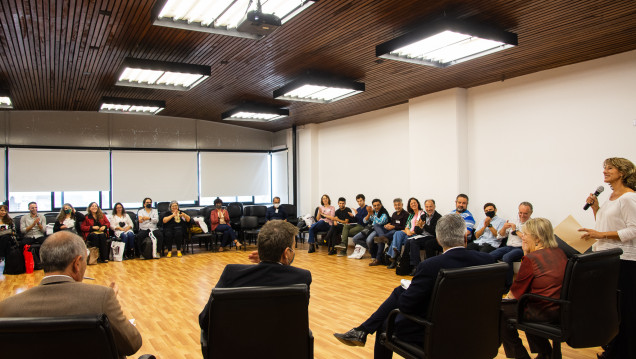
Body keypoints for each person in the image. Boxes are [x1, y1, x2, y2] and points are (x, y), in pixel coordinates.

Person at [333, 214, 495, 359]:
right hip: (478, 331)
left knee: (388, 320)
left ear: (438, 240)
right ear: (465, 237)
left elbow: (407, 306)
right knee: (402, 292)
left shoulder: (430, 266)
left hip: (435, 332)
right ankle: (361, 330)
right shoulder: (488, 261)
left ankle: (362, 330)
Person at [0, 231, 142, 358]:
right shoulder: (101, 297)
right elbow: (132, 344)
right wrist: (107, 305)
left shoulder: (6, 308)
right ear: (76, 264)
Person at [198, 220, 312, 351]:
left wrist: (266, 261)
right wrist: (272, 262)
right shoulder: (302, 277)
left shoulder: (231, 273)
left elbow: (205, 320)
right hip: (282, 351)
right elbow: (296, 320)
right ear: (286, 253)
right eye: (293, 249)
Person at [579, 157, 636, 359]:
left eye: (609, 168)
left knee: (623, 310)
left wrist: (600, 235)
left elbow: (633, 230)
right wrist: (595, 208)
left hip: (624, 261)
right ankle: (612, 350)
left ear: (622, 172)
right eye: (604, 168)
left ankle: (623, 352)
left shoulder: (628, 198)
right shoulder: (612, 196)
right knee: (610, 309)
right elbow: (605, 227)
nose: (605, 171)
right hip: (606, 258)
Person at [500, 218, 567, 359]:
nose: (522, 237)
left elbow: (515, 294)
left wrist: (503, 300)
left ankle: (521, 356)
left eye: (525, 234)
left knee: (500, 311)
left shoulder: (532, 259)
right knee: (525, 304)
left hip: (542, 311)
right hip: (562, 308)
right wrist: (526, 253)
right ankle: (545, 353)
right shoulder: (559, 252)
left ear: (537, 238)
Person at [490, 202, 533, 290]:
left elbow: (528, 239)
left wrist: (515, 230)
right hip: (508, 246)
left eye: (525, 213)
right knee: (490, 256)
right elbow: (500, 236)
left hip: (521, 248)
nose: (522, 215)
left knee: (507, 257)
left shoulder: (532, 224)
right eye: (520, 213)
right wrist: (504, 228)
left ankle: (509, 286)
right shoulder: (513, 220)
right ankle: (496, 282)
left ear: (531, 213)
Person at [386, 197, 425, 269]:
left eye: (414, 203)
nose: (413, 204)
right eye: (411, 203)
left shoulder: (422, 213)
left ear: (417, 204)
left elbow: (421, 227)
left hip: (416, 233)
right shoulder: (411, 215)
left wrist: (411, 232)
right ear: (409, 206)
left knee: (400, 239)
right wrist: (408, 231)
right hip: (409, 232)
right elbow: (406, 226)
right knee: (397, 233)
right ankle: (395, 254)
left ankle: (394, 257)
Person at [369, 199, 409, 265]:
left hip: (398, 231)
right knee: (376, 225)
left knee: (380, 240)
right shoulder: (394, 214)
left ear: (402, 205)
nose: (397, 206)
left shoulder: (405, 214)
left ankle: (378, 259)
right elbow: (392, 223)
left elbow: (405, 227)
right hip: (390, 230)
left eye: (399, 205)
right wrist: (388, 225)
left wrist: (394, 227)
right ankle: (382, 237)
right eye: (395, 205)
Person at [406, 199, 442, 273]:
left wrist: (424, 226)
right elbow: (417, 230)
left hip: (433, 237)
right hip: (422, 236)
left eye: (430, 206)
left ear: (434, 206)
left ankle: (429, 266)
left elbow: (435, 231)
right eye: (427, 207)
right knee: (412, 241)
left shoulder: (438, 217)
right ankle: (416, 266)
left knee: (428, 243)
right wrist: (420, 227)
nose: (429, 209)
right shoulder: (423, 216)